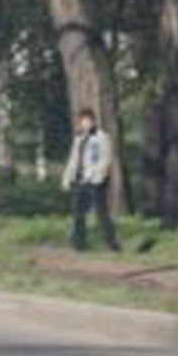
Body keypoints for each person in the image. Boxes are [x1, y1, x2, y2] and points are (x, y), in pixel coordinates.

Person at [62, 107, 122, 252]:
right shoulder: (79, 139)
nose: (85, 124)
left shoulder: (102, 137)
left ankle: (112, 243)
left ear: (93, 121)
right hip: (81, 179)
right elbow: (73, 159)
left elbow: (107, 157)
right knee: (78, 212)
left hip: (96, 180)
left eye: (88, 121)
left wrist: (98, 175)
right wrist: (67, 177)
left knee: (101, 213)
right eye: (83, 122)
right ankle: (79, 244)